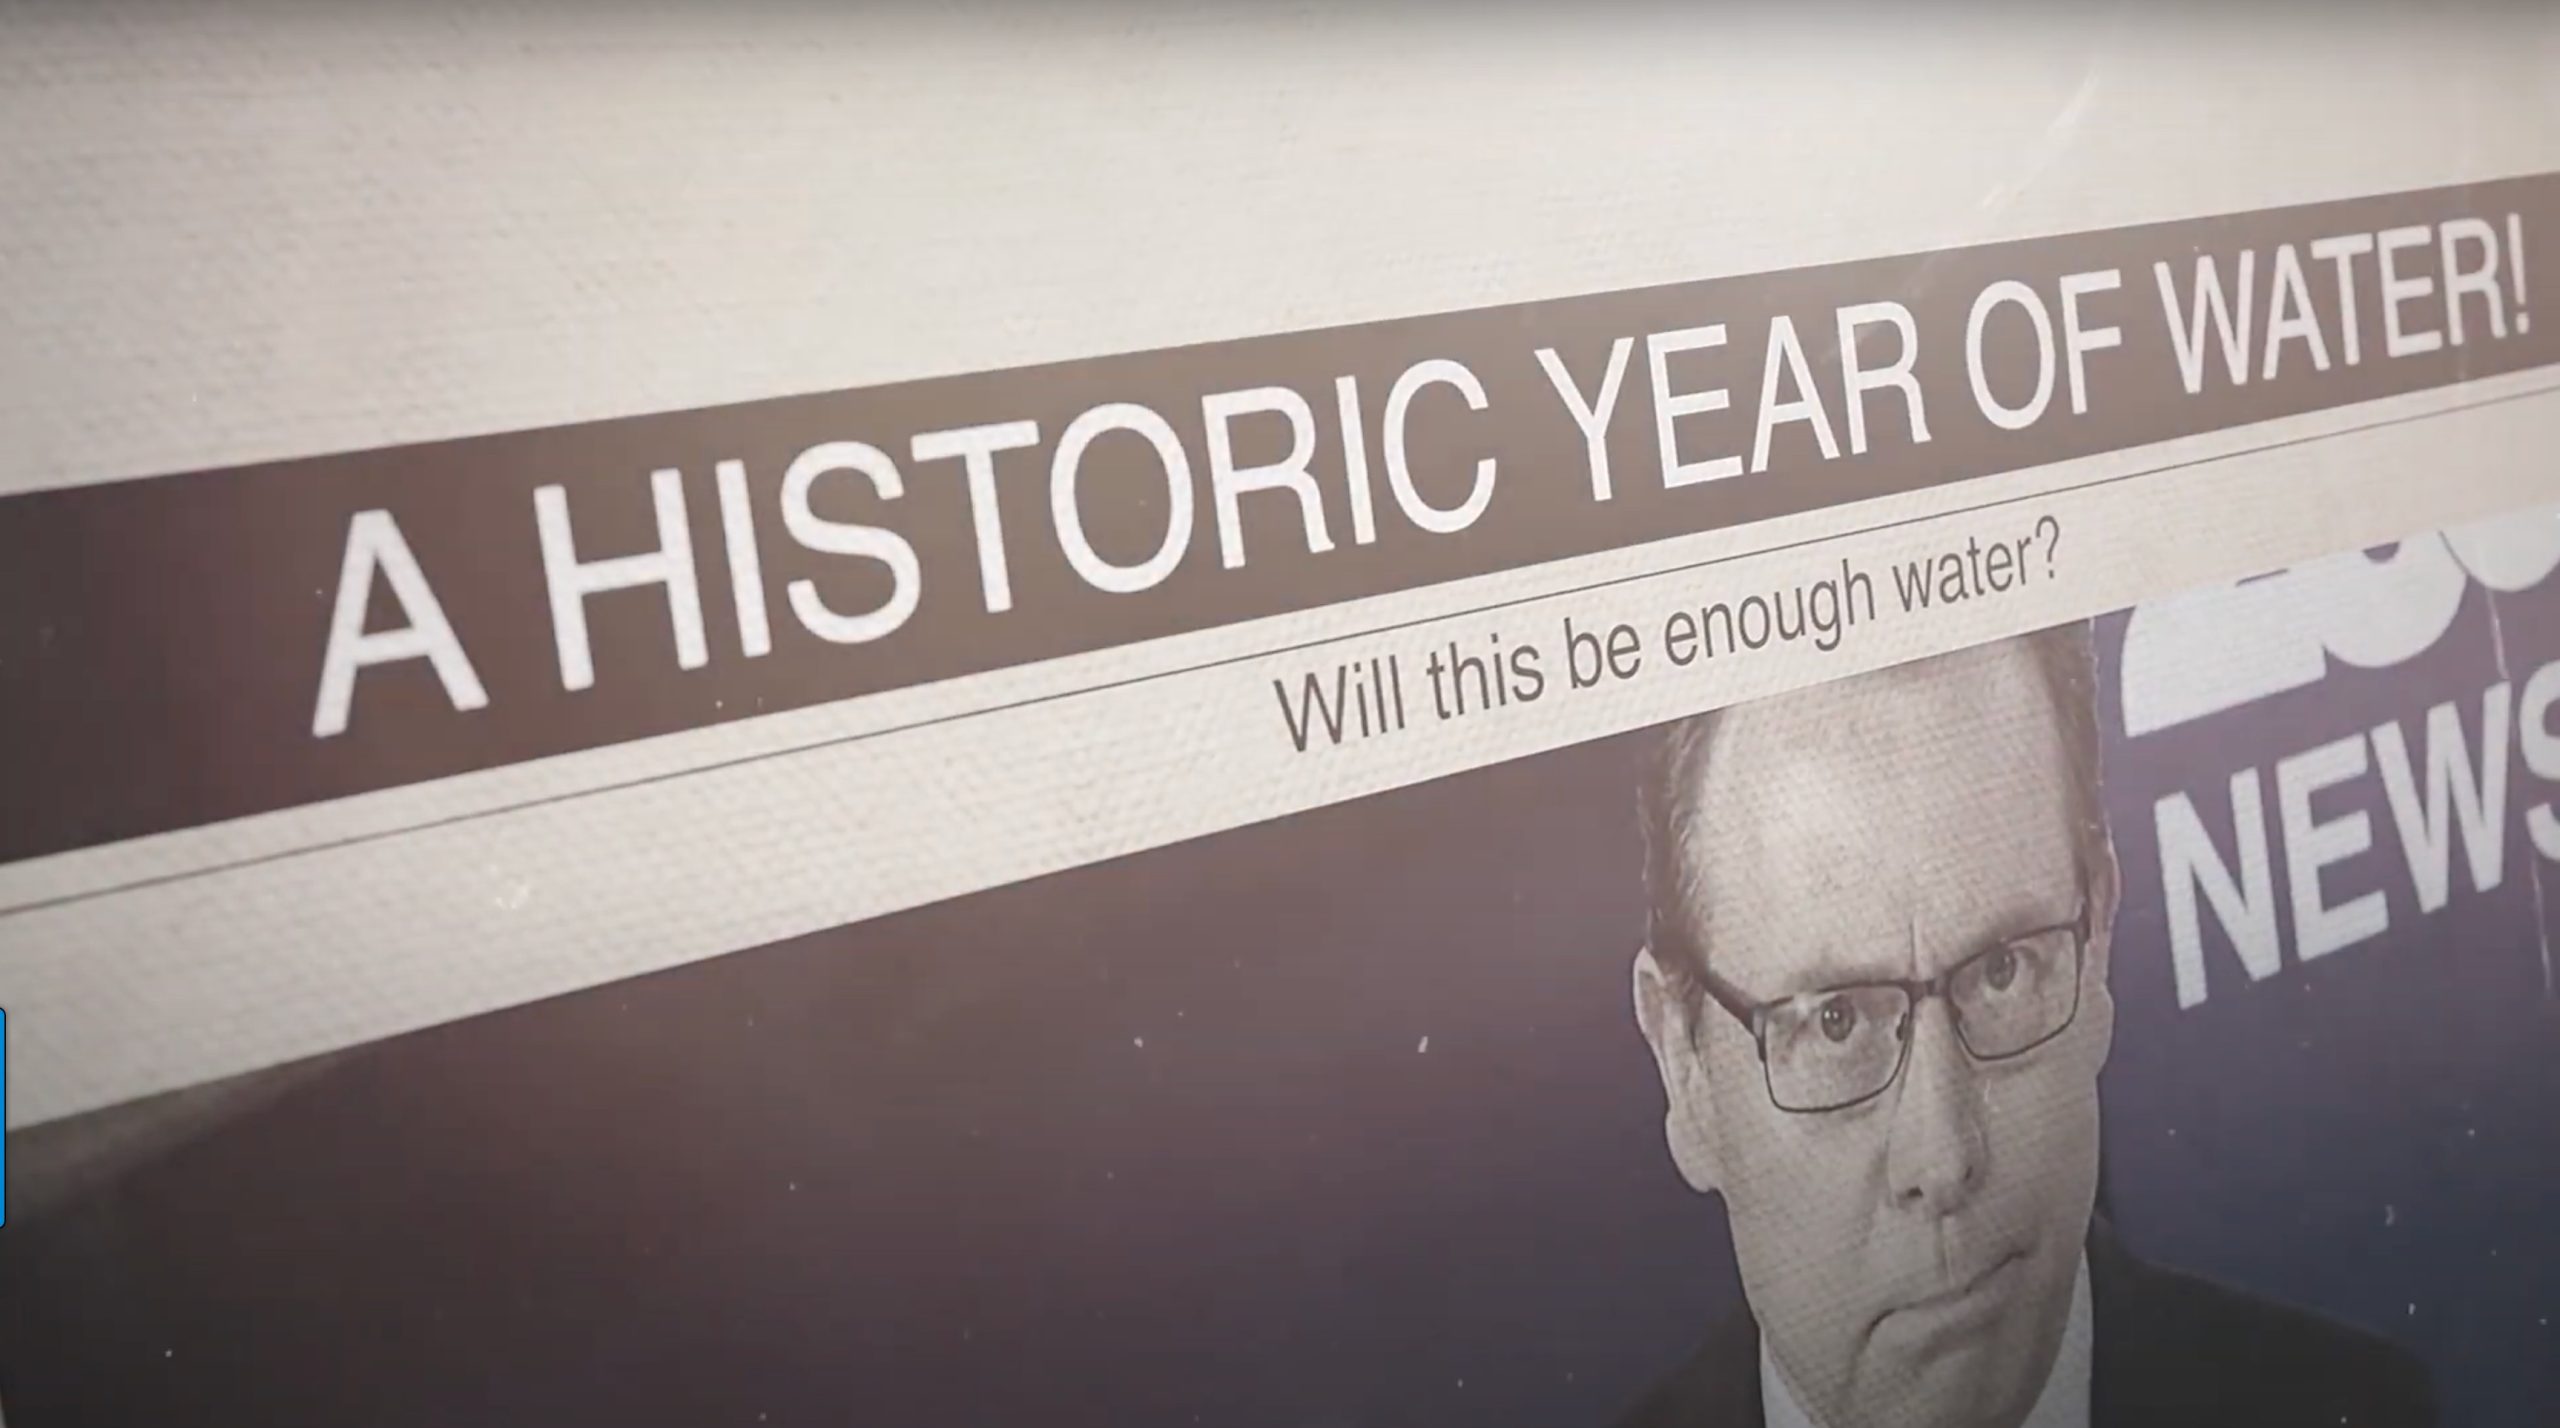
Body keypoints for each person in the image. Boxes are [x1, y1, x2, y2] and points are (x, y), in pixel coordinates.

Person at [1619, 625, 2434, 1428]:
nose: (1943, 1155)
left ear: (2102, 945)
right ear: (1684, 1067)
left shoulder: (2361, 1410)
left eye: (2003, 971)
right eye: (1835, 1023)